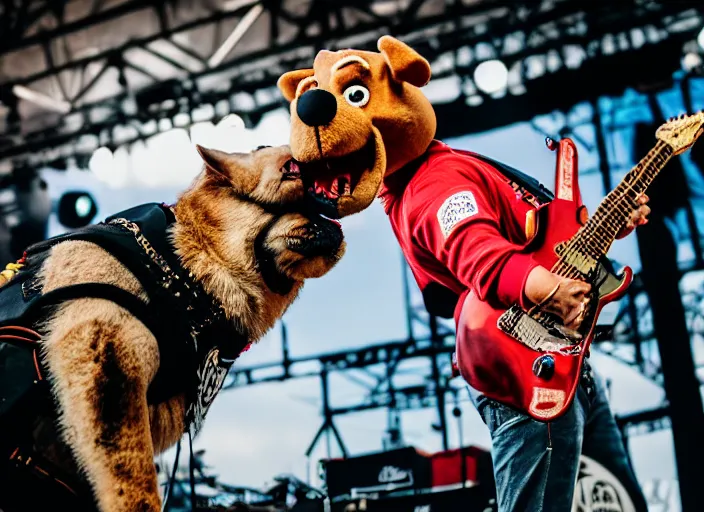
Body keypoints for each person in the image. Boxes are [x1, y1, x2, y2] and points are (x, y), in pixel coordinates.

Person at [378, 139, 651, 511]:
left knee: (616, 502)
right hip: (528, 362)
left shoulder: (447, 165)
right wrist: (546, 289)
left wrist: (606, 229)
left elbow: (551, 248)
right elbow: (480, 256)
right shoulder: (433, 182)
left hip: (564, 358)